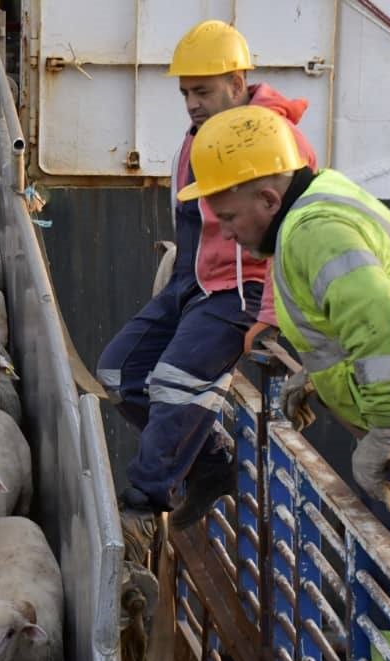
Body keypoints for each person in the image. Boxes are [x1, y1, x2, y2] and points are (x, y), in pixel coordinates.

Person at [182, 102, 390, 661]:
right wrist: (318, 381)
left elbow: (378, 320)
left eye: (231, 215)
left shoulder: (313, 231)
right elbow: (351, 325)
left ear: (269, 198)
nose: (226, 231)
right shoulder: (321, 203)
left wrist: (384, 431)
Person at [96, 21, 318, 551]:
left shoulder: (274, 137)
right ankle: (210, 459)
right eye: (186, 93)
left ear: (237, 82)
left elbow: (290, 228)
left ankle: (147, 502)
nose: (192, 103)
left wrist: (268, 313)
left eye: (203, 91)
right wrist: (179, 285)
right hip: (191, 283)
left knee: (175, 381)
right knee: (119, 372)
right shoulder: (202, 134)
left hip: (238, 291)